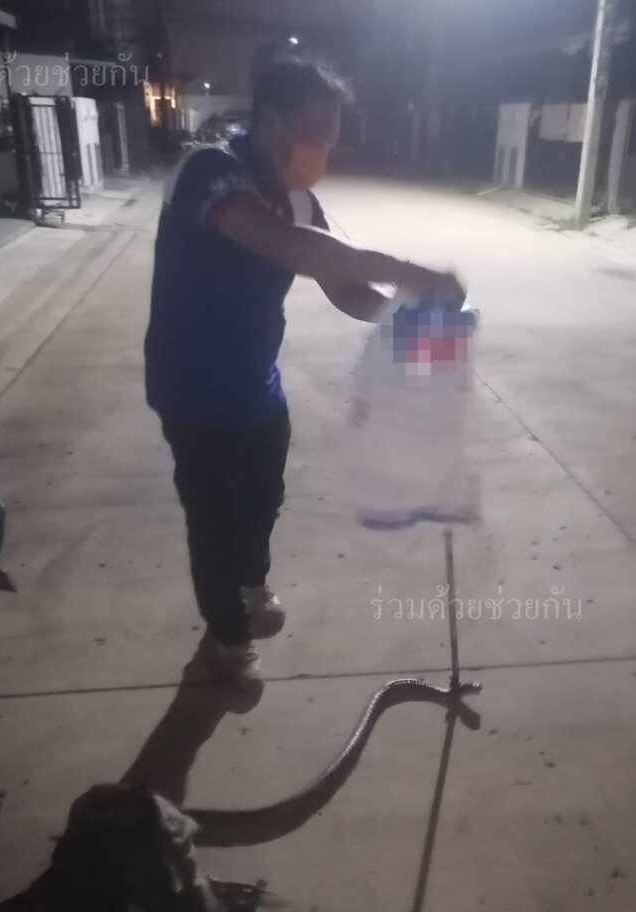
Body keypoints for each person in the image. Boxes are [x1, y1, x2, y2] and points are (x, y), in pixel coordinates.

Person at [144, 58, 464, 690]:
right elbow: (287, 246)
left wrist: (409, 317)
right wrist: (412, 273)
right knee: (213, 521)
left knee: (264, 497)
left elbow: (342, 284)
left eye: (331, 138)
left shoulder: (297, 196)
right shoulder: (211, 173)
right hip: (192, 391)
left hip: (257, 385)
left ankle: (251, 583)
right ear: (272, 122)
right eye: (315, 135)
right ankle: (229, 642)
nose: (324, 151)